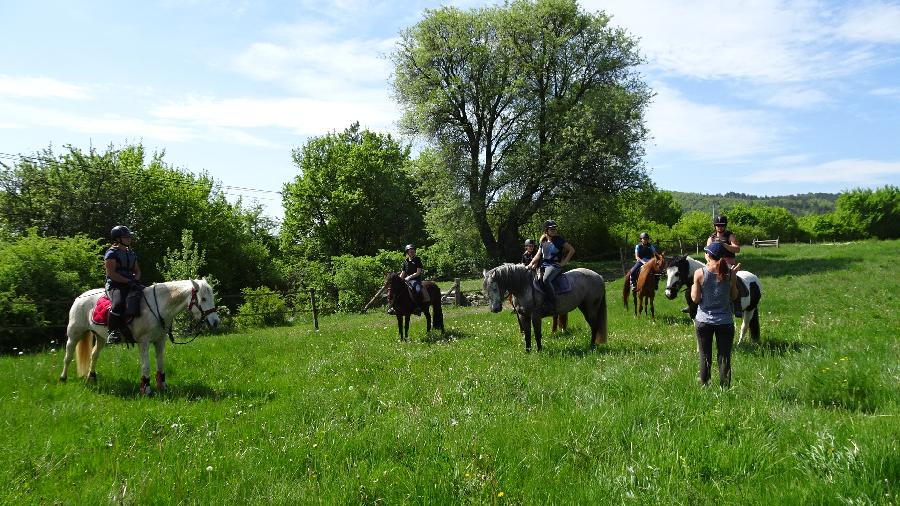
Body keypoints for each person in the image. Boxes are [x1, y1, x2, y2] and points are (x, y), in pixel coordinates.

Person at [690, 241, 740, 387]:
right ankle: (725, 387)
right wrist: (734, 278)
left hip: (704, 321)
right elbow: (734, 296)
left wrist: (695, 284)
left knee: (705, 355)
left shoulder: (700, 273)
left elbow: (695, 299)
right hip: (725, 321)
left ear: (708, 255)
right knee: (724, 356)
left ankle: (705, 384)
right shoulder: (730, 273)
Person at [104, 225, 143, 345]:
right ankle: (113, 332)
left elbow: (137, 271)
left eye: (129, 236)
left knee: (148, 295)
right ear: (117, 239)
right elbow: (112, 274)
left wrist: (135, 280)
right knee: (118, 304)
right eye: (126, 237)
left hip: (130, 283)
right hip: (114, 285)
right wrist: (128, 281)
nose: (129, 238)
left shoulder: (131, 253)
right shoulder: (111, 253)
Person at [527, 220, 575, 314]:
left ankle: (553, 303)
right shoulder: (543, 241)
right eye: (551, 229)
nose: (554, 230)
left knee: (546, 279)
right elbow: (538, 255)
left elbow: (571, 250)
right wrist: (530, 264)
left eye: (554, 229)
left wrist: (563, 263)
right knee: (534, 279)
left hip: (554, 266)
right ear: (546, 231)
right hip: (544, 265)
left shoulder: (559, 239)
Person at [389, 244, 424, 315]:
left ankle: (418, 307)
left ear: (414, 251)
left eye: (412, 250)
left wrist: (409, 277)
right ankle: (393, 307)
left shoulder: (417, 259)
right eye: (409, 251)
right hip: (406, 280)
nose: (411, 252)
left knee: (418, 290)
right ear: (407, 252)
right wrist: (399, 280)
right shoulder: (406, 261)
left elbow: (418, 272)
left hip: (416, 280)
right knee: (396, 290)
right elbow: (403, 272)